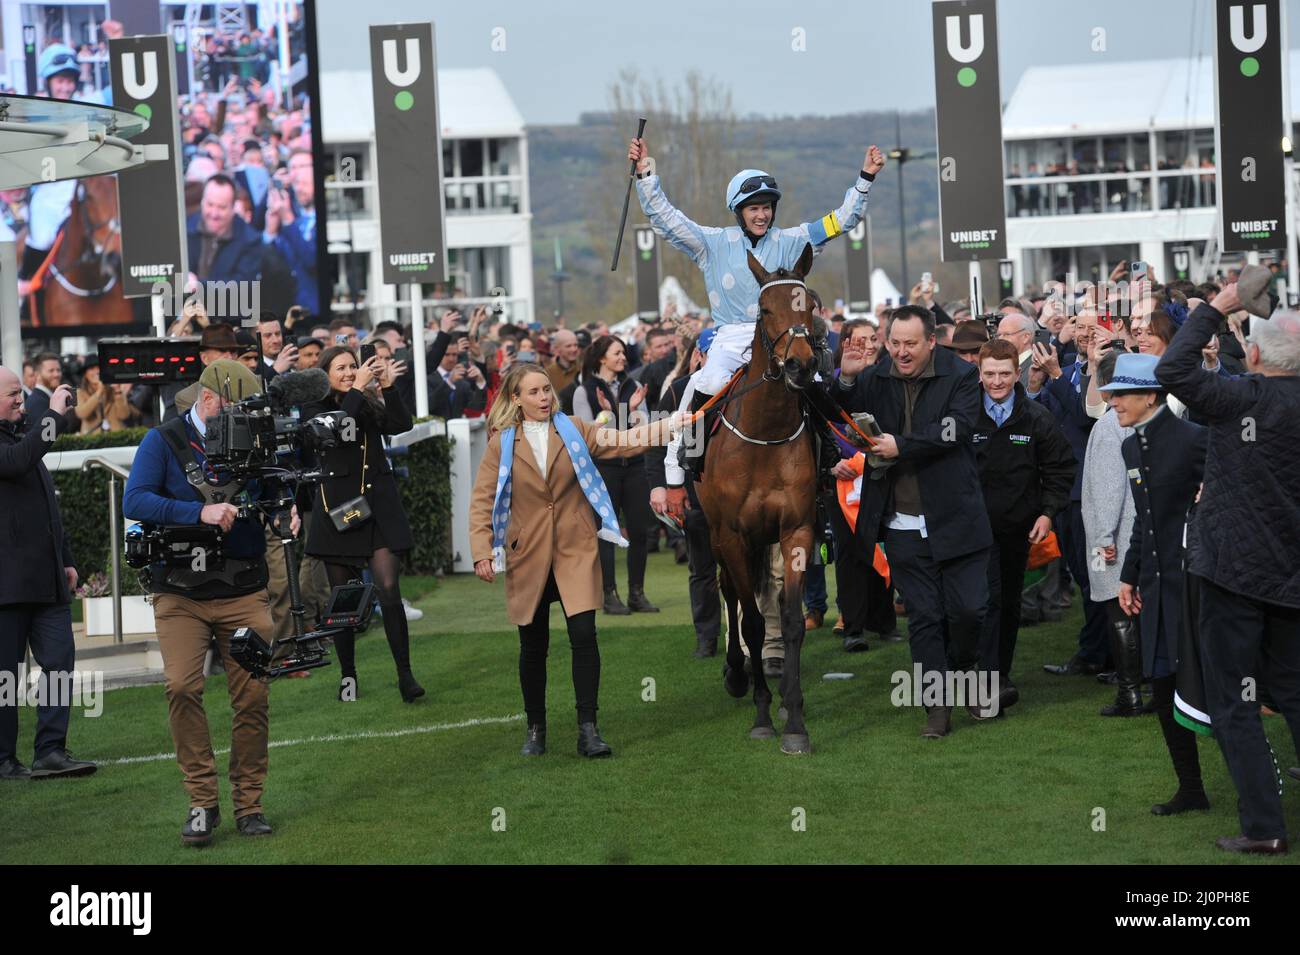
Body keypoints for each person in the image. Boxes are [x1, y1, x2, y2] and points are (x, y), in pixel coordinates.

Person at [630, 135, 885, 482]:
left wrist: (864, 179)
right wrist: (646, 174)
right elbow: (666, 219)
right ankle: (690, 456)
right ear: (739, 211)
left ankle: (826, 449)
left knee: (814, 380)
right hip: (733, 336)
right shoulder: (711, 243)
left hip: (781, 336)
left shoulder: (795, 239)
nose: (762, 214)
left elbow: (842, 220)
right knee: (710, 379)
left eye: (766, 207)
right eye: (754, 208)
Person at [469, 363, 689, 758]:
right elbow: (482, 499)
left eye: (547, 390)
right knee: (533, 647)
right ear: (516, 399)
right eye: (534, 392)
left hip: (576, 548)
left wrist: (671, 425)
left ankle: (589, 729)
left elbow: (623, 441)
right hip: (527, 554)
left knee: (584, 638)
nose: (544, 398)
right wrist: (482, 550)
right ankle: (535, 729)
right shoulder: (500, 442)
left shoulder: (574, 428)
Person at [1156, 282, 1300, 855]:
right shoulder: (1243, 396)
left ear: (1257, 355)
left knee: (1234, 703)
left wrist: (1220, 303)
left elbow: (1172, 371)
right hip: (1289, 579)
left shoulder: (1242, 399)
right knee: (1293, 691)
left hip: (1233, 575)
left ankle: (1264, 827)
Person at [121, 360, 278, 844]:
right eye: (239, 409)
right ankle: (201, 803)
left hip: (244, 588)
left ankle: (249, 805)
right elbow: (135, 501)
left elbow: (276, 492)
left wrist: (285, 503)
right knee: (182, 687)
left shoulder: (257, 438)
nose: (247, 419)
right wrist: (199, 511)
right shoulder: (163, 441)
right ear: (209, 401)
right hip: (181, 593)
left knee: (252, 696)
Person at [834, 305, 992, 738]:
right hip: (902, 522)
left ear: (931, 342)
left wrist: (901, 445)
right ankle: (936, 708)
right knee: (923, 617)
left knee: (967, 611)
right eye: (895, 344)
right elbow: (841, 413)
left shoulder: (961, 375)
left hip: (957, 518)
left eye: (910, 344)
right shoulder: (874, 376)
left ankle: (968, 671)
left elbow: (957, 429)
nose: (902, 353)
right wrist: (846, 377)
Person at [1099, 352, 1211, 820]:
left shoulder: (1194, 440)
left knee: (1217, 692)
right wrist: (1128, 575)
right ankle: (1191, 788)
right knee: (1164, 690)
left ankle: (1259, 788)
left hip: (1199, 589)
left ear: (1150, 396)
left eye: (1120, 395)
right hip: (1154, 590)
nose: (1113, 403)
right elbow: (1145, 521)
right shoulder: (1129, 447)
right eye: (1110, 395)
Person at [303, 347, 424, 703]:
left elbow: (401, 425)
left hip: (378, 508)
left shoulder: (367, 400)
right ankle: (348, 676)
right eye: (341, 367)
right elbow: (335, 432)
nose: (349, 372)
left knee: (388, 587)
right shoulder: (316, 408)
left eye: (353, 366)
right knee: (344, 599)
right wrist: (357, 389)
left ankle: (405, 674)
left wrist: (387, 387)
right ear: (325, 374)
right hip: (338, 510)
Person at [0, 368, 97, 780]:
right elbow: (18, 463)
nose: (20, 401)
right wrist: (53, 416)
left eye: (21, 393)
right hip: (6, 586)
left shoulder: (20, 438)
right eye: (11, 395)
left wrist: (67, 559)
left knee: (58, 663)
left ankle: (51, 751)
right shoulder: (19, 447)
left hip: (47, 579)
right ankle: (3, 759)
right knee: (6, 677)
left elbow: (46, 507)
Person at [972, 339, 1075, 710]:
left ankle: (999, 673)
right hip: (973, 530)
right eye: (989, 374)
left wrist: (1047, 512)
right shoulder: (965, 414)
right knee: (986, 599)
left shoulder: (1036, 417)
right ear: (979, 374)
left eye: (1004, 374)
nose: (997, 381)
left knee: (1008, 601)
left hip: (1018, 529)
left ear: (1018, 373)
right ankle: (985, 676)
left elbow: (1061, 468)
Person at [572, 336, 658, 614]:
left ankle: (637, 593)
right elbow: (587, 437)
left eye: (623, 352)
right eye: (617, 353)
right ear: (602, 358)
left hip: (634, 466)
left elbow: (644, 430)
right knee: (607, 532)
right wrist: (609, 415)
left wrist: (633, 411)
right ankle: (609, 594)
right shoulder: (583, 391)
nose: (623, 357)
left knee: (639, 531)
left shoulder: (633, 386)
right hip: (603, 469)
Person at [648, 331, 720, 657]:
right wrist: (660, 485)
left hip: (735, 495)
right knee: (702, 568)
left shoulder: (745, 390)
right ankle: (706, 636)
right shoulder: (679, 389)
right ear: (699, 356)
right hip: (692, 492)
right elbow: (656, 438)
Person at [1080, 350, 1143, 718]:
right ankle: (1142, 685)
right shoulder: (1138, 418)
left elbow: (1107, 490)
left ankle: (1129, 693)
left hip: (1115, 538)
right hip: (1134, 533)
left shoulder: (1109, 426)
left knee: (1118, 612)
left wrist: (1103, 539)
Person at [186, 174, 264, 291]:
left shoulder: (250, 240)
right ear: (202, 202)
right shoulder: (185, 228)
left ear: (233, 208)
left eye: (221, 207)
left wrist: (199, 286)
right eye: (210, 204)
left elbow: (242, 287)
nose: (214, 213)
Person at [74, 358, 140, 434]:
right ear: (85, 374)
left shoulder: (113, 390)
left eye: (99, 368)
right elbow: (82, 414)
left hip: (116, 436)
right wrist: (99, 392)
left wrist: (118, 392)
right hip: (92, 438)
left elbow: (124, 415)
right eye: (92, 369)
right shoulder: (80, 393)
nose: (97, 371)